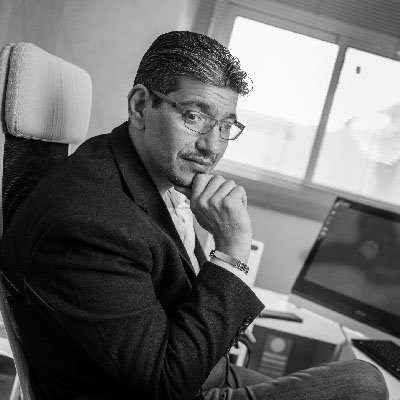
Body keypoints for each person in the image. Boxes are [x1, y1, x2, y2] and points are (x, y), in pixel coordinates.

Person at [0, 31, 388, 400]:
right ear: (140, 106)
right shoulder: (87, 223)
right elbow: (167, 385)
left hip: (197, 370)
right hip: (166, 388)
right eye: (194, 117)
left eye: (226, 125)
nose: (212, 147)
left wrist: (223, 320)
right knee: (363, 382)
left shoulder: (147, 173)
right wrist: (232, 248)